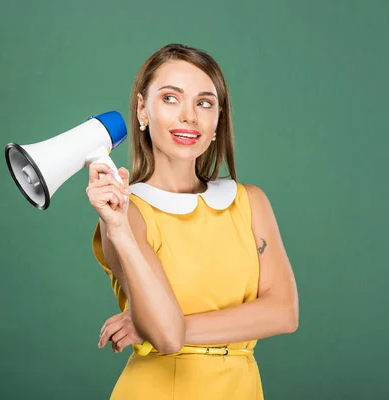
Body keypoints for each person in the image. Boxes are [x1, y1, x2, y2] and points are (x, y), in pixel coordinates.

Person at [87, 43, 299, 399]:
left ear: (218, 119)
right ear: (142, 109)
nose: (189, 116)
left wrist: (150, 325)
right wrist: (117, 226)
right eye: (171, 98)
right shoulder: (127, 215)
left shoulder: (251, 202)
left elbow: (284, 313)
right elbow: (167, 340)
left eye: (204, 102)